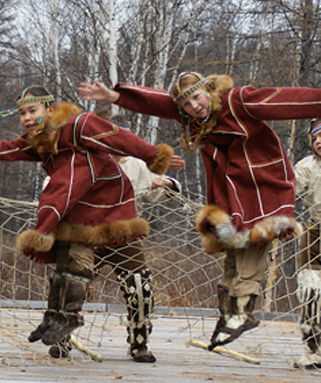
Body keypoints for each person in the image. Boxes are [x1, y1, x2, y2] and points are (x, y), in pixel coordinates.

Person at [0, 86, 185, 362]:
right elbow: (4, 148)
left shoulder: (80, 125)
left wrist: (154, 156)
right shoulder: (40, 141)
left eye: (32, 111)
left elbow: (119, 136)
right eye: (22, 113)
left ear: (50, 109)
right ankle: (60, 331)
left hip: (117, 222)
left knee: (140, 286)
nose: (26, 118)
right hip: (78, 224)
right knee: (69, 276)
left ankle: (139, 342)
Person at [78, 73, 319, 350]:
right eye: (188, 103)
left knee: (254, 240)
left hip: (261, 185)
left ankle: (242, 308)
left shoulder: (237, 100)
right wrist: (116, 96)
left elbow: (288, 101)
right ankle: (228, 310)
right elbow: (159, 103)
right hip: (230, 191)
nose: (195, 106)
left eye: (197, 96)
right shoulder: (192, 117)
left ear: (209, 90)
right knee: (231, 244)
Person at [293, 118, 321, 369]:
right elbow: (286, 189)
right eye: (315, 138)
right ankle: (312, 354)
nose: (319, 141)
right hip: (315, 234)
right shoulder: (307, 166)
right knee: (311, 294)